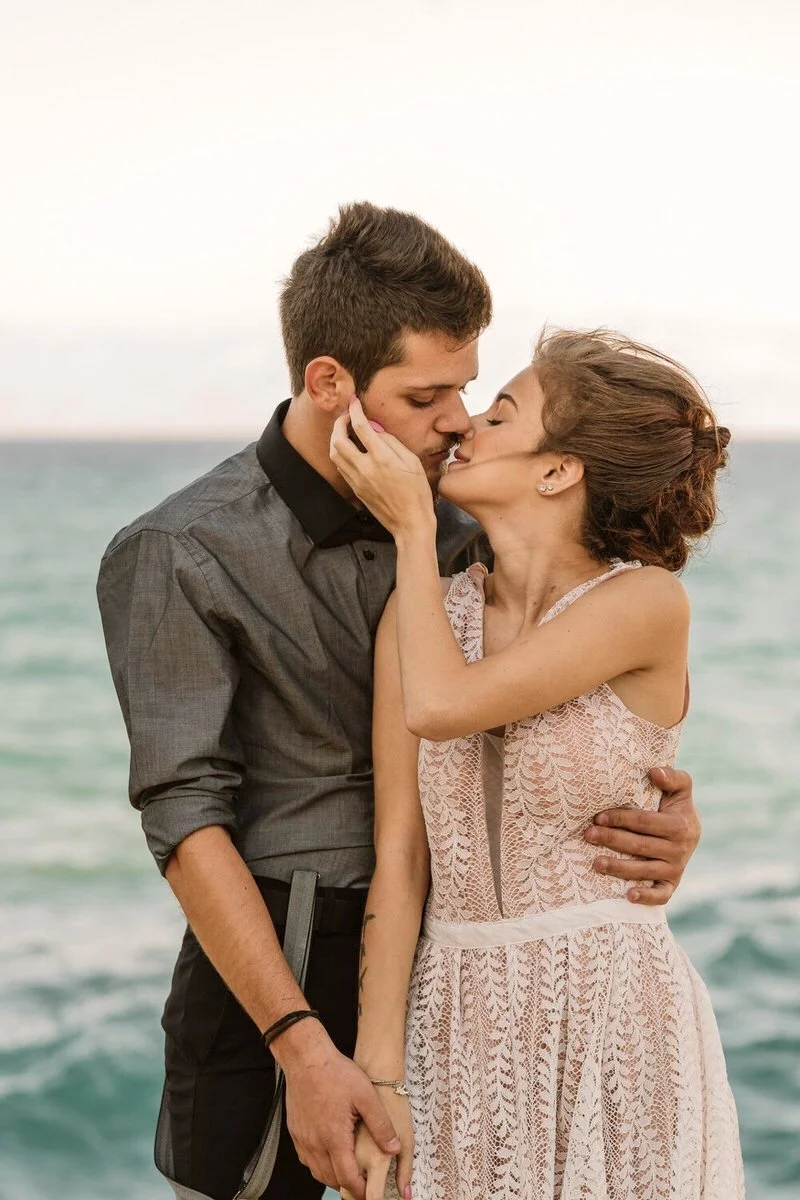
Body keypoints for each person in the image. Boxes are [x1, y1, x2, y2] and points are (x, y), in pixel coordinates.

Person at [97, 206, 701, 1200]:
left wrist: (662, 813)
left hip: (481, 983)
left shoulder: (476, 523)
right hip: (287, 959)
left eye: (470, 388)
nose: (460, 417)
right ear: (328, 382)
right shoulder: (179, 553)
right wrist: (300, 1047)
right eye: (427, 395)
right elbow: (183, 817)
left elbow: (582, 694)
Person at [331, 330, 744, 1200]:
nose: (464, 429)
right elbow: (401, 860)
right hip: (454, 1016)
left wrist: (410, 525)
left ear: (558, 472)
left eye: (499, 413)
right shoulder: (422, 617)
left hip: (612, 1017)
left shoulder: (642, 604)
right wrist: (381, 1078)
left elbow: (444, 706)